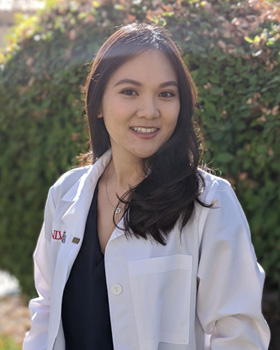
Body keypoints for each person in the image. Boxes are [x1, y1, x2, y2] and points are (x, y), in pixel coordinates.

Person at [23, 23, 270, 350]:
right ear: (98, 104)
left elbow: (239, 336)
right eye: (129, 91)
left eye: (166, 94)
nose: (150, 111)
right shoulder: (65, 195)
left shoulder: (210, 204)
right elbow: (48, 305)